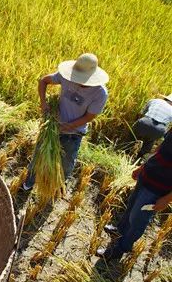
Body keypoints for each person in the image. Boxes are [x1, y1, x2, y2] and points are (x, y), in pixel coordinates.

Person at [23, 53, 109, 190]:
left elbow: (89, 117)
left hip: (74, 133)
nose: (77, 81)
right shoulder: (67, 76)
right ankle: (30, 181)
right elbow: (43, 81)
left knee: (66, 163)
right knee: (39, 154)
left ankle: (58, 186)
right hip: (52, 126)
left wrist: (66, 127)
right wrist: (43, 103)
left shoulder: (100, 93)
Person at [98, 129, 172, 260]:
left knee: (137, 219)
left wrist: (167, 199)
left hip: (158, 188)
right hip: (147, 176)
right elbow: (161, 148)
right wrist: (143, 166)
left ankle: (120, 249)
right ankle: (119, 230)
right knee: (131, 207)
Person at [132, 94, 172, 158]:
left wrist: (137, 124)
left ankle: (125, 151)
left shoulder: (154, 100)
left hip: (145, 121)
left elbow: (140, 113)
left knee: (132, 137)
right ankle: (139, 158)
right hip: (159, 129)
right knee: (149, 142)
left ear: (166, 99)